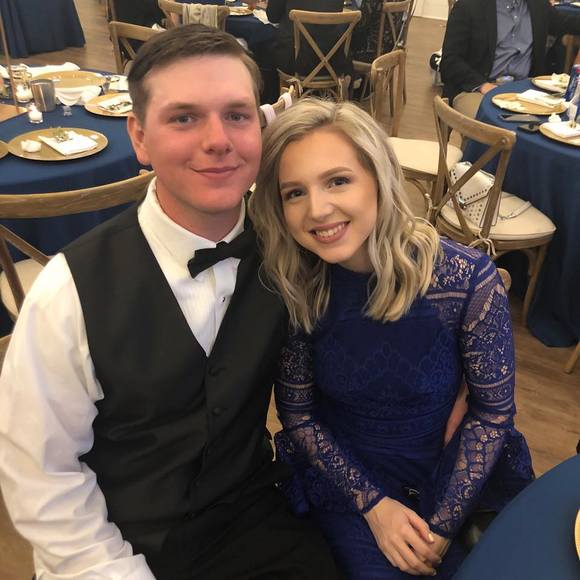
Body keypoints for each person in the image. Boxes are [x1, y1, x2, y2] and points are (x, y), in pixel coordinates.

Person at [0, 25, 342, 580]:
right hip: (111, 541)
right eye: (184, 118)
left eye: (236, 115)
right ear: (139, 137)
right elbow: (42, 478)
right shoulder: (68, 294)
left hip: (249, 518)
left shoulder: (291, 249)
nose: (218, 140)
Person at [249, 98, 534, 579]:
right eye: (294, 192)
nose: (317, 209)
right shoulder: (297, 287)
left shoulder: (466, 280)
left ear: (378, 179)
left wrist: (443, 524)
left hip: (455, 470)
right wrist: (374, 506)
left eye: (338, 181)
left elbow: (492, 412)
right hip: (349, 478)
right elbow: (298, 416)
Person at [441, 0, 580, 118]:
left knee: (556, 124)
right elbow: (449, 61)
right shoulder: (469, 6)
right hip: (476, 89)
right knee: (491, 123)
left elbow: (567, 23)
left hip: (525, 91)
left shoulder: (538, 5)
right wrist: (483, 86)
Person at [266, 0, 349, 77]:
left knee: (265, 48)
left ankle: (272, 87)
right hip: (333, 62)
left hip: (295, 63)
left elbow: (272, 16)